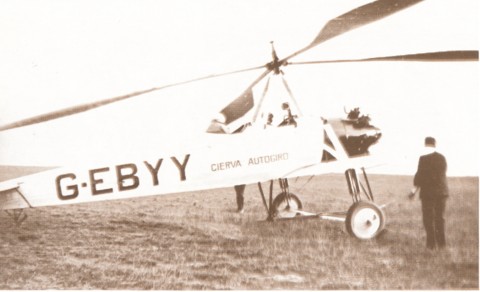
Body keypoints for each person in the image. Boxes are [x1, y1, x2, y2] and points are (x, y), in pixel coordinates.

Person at [409, 136, 449, 249]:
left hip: (428, 193)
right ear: (435, 145)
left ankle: (431, 245)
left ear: (425, 145)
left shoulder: (423, 159)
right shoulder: (442, 158)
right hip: (442, 192)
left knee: (428, 219)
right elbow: (440, 174)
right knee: (440, 218)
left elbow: (419, 176)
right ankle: (442, 244)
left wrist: (414, 191)